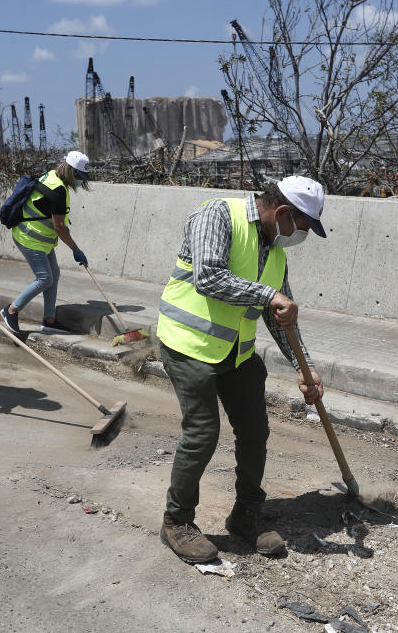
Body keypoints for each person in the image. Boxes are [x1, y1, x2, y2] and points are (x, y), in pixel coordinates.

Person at [156, 175, 326, 564]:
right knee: (202, 432)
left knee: (255, 431)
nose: (302, 235)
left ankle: (245, 515)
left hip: (236, 352)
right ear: (282, 212)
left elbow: (280, 314)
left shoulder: (275, 250)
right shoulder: (218, 215)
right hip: (188, 345)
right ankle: (176, 521)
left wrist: (306, 368)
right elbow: (208, 277)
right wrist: (269, 295)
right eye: (302, 226)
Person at [0, 151, 92, 334]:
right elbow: (59, 227)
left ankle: (49, 320)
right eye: (80, 177)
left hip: (41, 239)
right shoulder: (57, 191)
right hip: (30, 238)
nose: (81, 182)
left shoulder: (51, 176)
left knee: (54, 275)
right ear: (71, 172)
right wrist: (76, 249)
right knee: (45, 278)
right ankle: (11, 310)